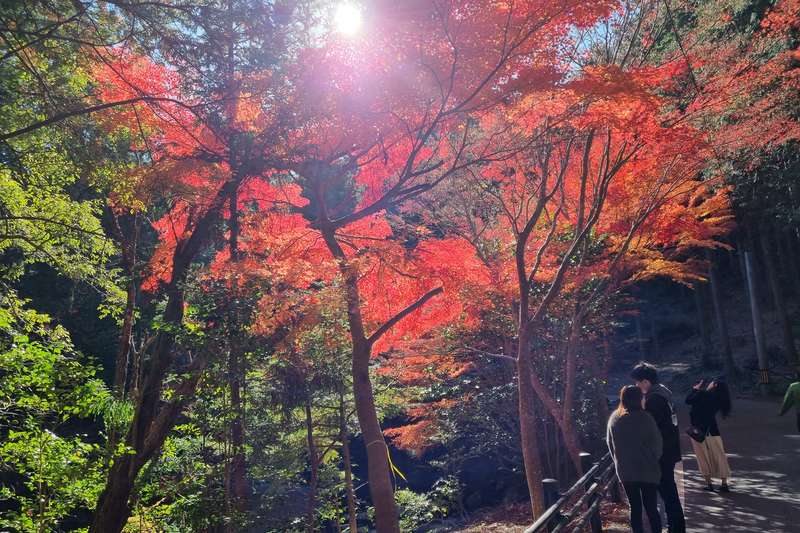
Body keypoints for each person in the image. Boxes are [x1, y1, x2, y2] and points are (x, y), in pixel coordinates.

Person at [631, 362, 686, 533]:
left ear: (645, 381)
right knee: (670, 491)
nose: (636, 386)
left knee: (668, 493)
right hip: (669, 449)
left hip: (661, 453)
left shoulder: (654, 399)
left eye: (637, 382)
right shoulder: (664, 391)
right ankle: (676, 526)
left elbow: (649, 429)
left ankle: (675, 527)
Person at [607, 385, 664, 533]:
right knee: (651, 507)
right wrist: (652, 459)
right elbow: (658, 445)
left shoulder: (614, 418)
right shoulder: (646, 417)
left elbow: (610, 444)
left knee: (635, 507)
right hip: (648, 470)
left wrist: (619, 461)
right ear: (639, 399)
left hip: (626, 471)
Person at [685, 378, 732, 492]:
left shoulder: (702, 394)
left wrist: (695, 389)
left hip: (698, 431)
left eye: (711, 382)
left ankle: (709, 483)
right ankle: (724, 484)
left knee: (702, 457)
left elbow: (688, 400)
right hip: (713, 430)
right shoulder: (719, 399)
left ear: (714, 385)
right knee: (720, 456)